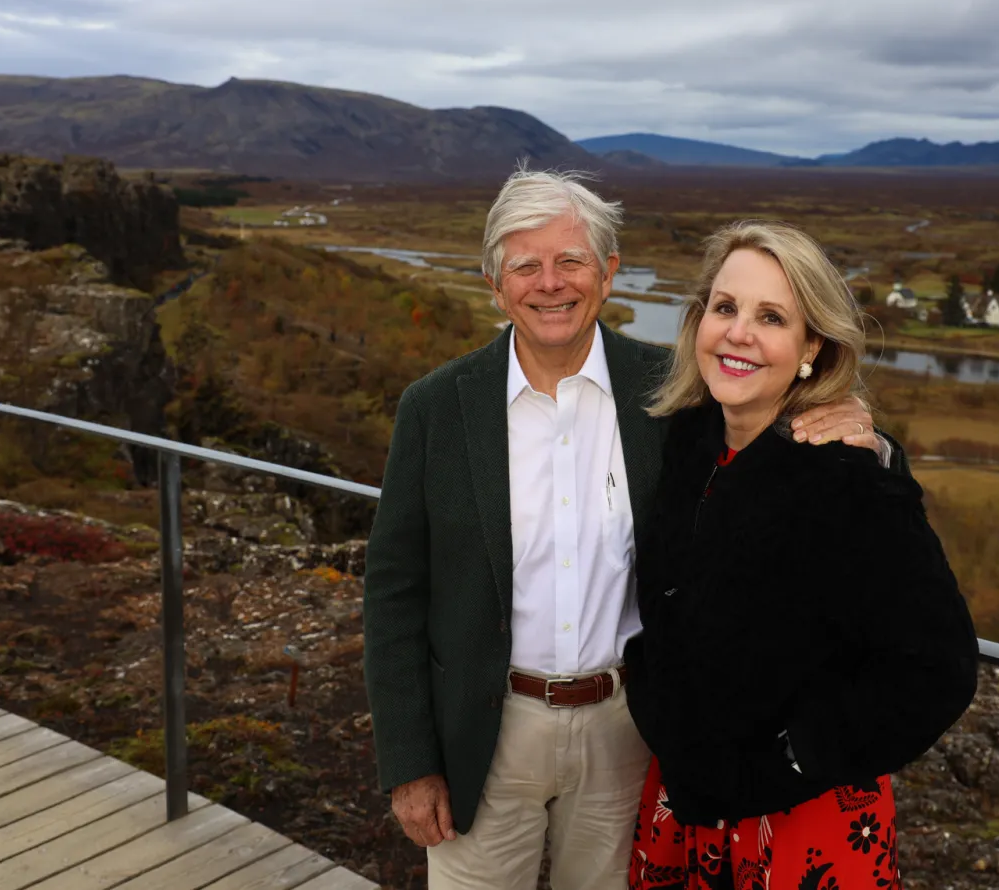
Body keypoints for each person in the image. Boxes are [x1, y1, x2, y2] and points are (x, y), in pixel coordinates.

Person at [363, 171, 890, 890]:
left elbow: (776, 439)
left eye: (571, 260)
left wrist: (872, 442)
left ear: (608, 273)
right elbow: (394, 591)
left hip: (627, 734)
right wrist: (410, 763)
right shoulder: (434, 409)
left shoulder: (672, 394)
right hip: (483, 733)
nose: (551, 283)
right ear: (495, 283)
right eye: (526, 265)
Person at [624, 220, 978, 890]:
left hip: (798, 824)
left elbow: (940, 667)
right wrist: (657, 700)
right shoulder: (689, 446)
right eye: (724, 308)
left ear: (812, 344)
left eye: (772, 317)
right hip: (691, 802)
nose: (738, 333)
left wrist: (796, 757)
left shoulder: (850, 481)